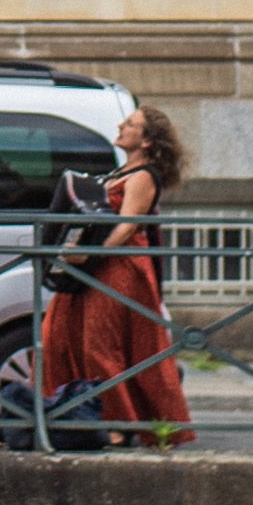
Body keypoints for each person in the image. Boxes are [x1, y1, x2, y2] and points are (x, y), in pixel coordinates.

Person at [41, 103, 194, 447]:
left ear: (148, 141)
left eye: (131, 124)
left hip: (119, 267)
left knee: (101, 344)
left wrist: (90, 255)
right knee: (57, 334)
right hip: (96, 266)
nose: (122, 126)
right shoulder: (119, 172)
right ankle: (72, 412)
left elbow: (127, 227)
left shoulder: (143, 176)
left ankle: (116, 423)